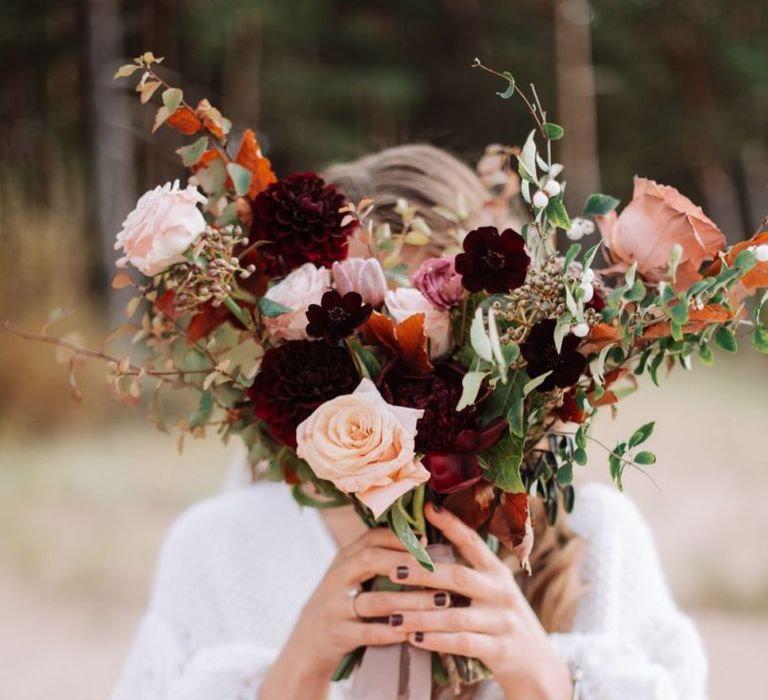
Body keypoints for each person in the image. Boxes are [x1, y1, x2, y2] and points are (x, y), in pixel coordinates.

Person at [110, 145, 708, 700]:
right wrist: (297, 671)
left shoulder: (597, 538)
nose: (398, 379)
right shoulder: (216, 548)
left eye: (435, 336)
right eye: (358, 335)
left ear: (509, 338)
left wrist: (544, 679)